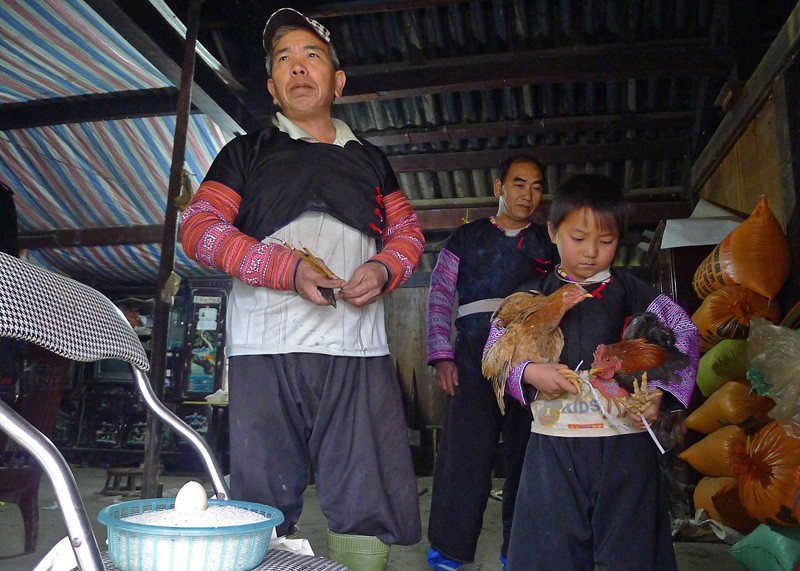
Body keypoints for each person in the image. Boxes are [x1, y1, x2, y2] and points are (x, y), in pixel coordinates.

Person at [180, 7, 423, 567]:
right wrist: (284, 268)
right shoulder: (246, 153)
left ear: (337, 81)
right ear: (271, 87)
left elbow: (408, 233)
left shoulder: (372, 160)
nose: (297, 67)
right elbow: (198, 230)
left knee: (365, 494)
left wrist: (385, 268)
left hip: (356, 349)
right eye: (284, 59)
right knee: (259, 500)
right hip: (266, 348)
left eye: (312, 55)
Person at [485, 173, 699, 570]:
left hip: (625, 446)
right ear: (552, 232)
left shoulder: (636, 291)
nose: (591, 253)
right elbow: (495, 350)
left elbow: (685, 331)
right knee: (550, 549)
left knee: (631, 550)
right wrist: (530, 373)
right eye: (578, 238)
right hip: (554, 445)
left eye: (606, 242)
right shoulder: (530, 295)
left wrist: (661, 394)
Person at [426, 155, 558, 570]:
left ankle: (516, 552)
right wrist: (441, 356)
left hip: (529, 366)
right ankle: (447, 551)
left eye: (536, 187)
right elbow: (440, 297)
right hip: (470, 359)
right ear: (499, 187)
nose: (528, 194)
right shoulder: (465, 239)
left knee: (528, 456)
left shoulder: (548, 243)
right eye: (519, 184)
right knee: (465, 456)